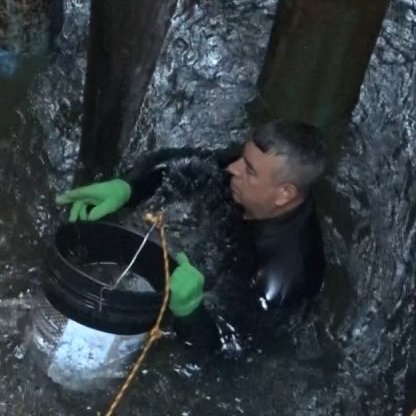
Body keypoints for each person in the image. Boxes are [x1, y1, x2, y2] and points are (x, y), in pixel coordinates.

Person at [56, 120, 328, 354]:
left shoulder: (281, 277)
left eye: (249, 171)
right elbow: (184, 165)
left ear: (285, 194)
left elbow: (230, 349)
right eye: (243, 159)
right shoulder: (252, 174)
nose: (233, 168)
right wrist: (129, 187)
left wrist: (191, 313)